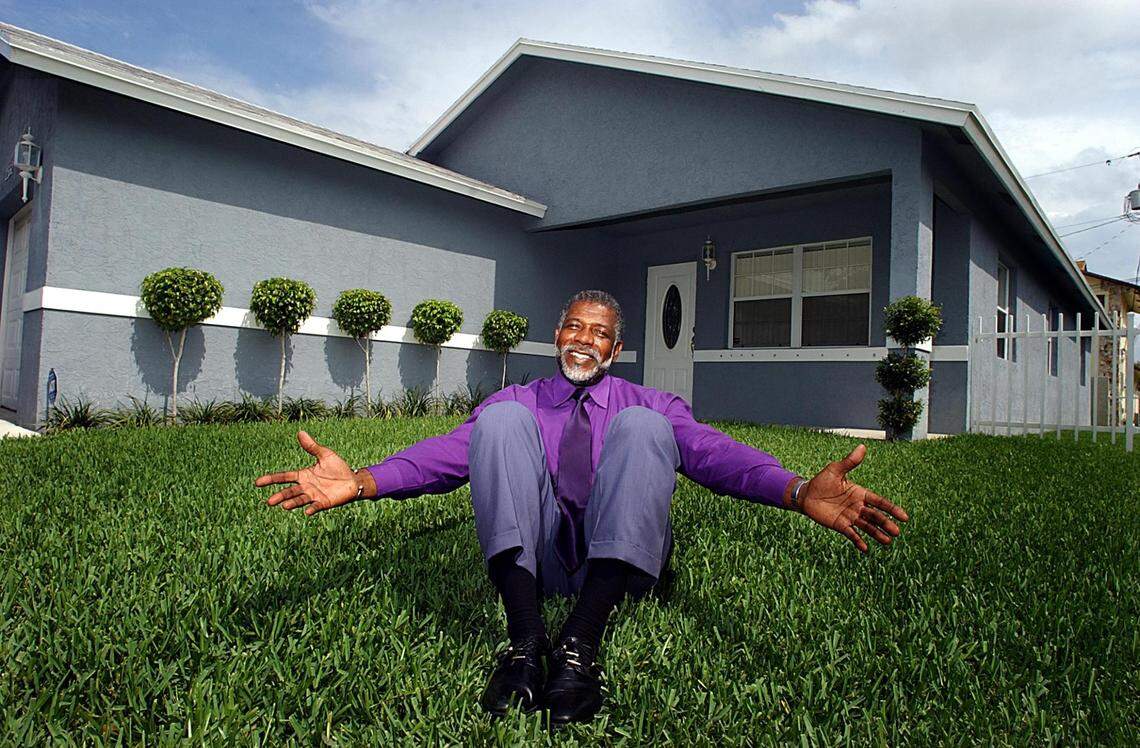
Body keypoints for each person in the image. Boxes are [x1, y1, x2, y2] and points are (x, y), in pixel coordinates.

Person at [254, 289, 909, 726]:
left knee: (646, 431)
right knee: (502, 421)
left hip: (615, 557)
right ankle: (524, 643)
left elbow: (712, 453)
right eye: (575, 326)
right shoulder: (518, 400)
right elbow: (449, 455)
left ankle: (579, 647)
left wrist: (795, 491)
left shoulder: (649, 403)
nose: (584, 339)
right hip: (538, 554)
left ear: (614, 350)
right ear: (558, 334)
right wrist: (362, 481)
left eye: (600, 333)